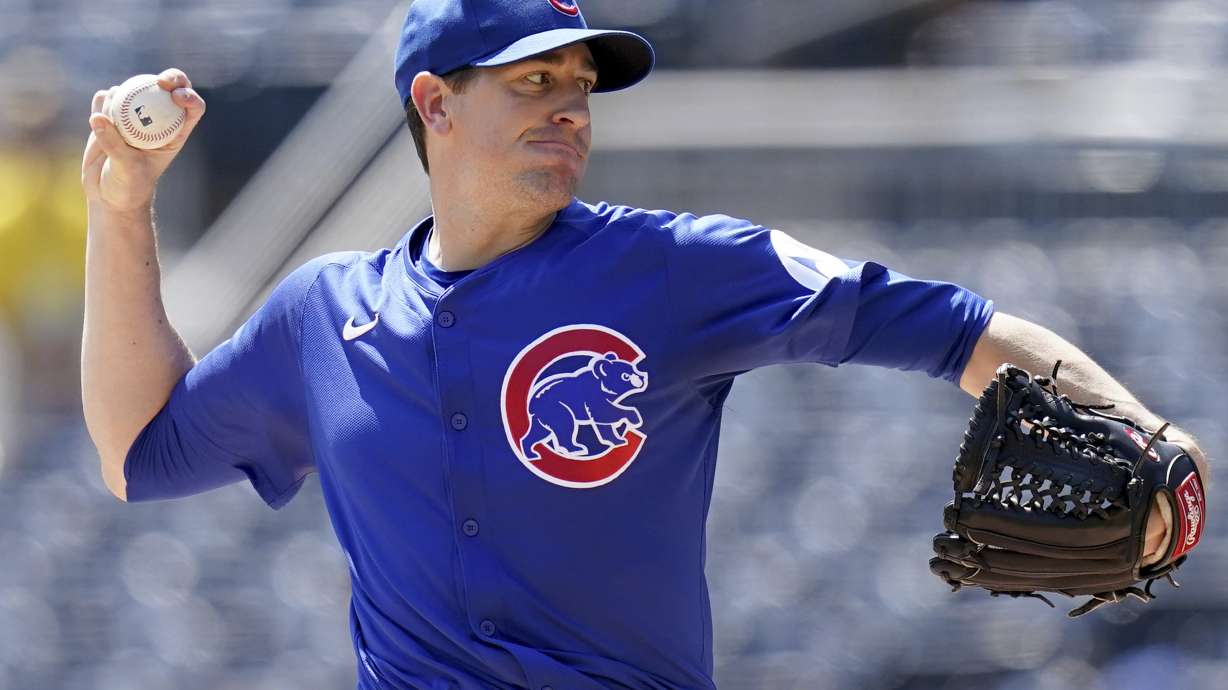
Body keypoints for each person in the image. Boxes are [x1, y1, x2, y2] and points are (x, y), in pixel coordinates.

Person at [80, 1, 1210, 688]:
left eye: (581, 86)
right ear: (434, 102)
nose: (571, 107)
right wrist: (121, 212)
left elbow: (957, 329)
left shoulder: (669, 266)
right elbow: (137, 452)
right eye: (534, 80)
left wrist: (1145, 432)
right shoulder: (323, 313)